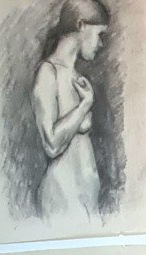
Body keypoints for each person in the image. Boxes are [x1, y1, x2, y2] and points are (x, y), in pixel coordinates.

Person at [32, 0, 109, 221]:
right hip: (62, 202)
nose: (101, 44)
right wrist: (84, 105)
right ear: (81, 25)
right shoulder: (48, 73)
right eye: (100, 35)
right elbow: (52, 144)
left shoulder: (77, 78)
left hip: (85, 204)